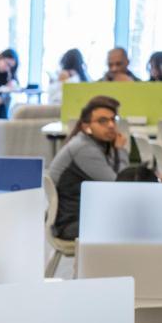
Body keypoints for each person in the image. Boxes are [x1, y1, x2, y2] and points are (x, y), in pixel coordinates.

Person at [46, 95, 129, 241]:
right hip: (71, 224)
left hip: (82, 216)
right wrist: (120, 151)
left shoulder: (95, 144)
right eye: (103, 121)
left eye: (113, 119)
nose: (111, 125)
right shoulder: (85, 149)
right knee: (132, 224)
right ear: (87, 127)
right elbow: (119, 187)